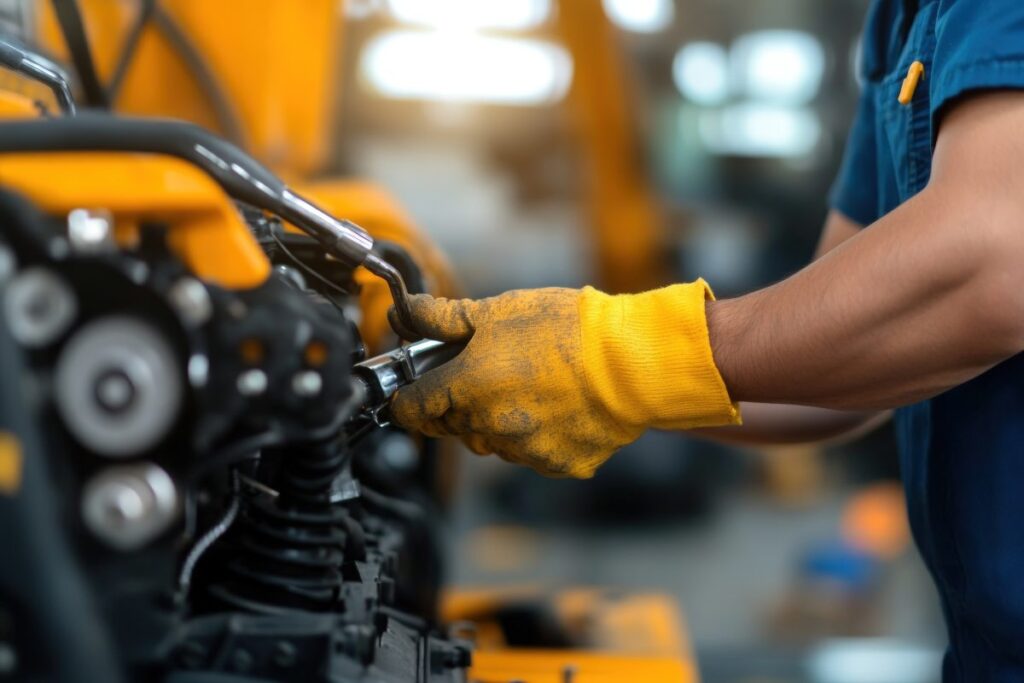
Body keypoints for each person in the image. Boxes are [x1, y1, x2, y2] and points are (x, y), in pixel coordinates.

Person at [391, 0, 1024, 678]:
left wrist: (623, 357)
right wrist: (586, 373)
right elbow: (852, 362)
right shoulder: (901, 21)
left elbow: (993, 261)